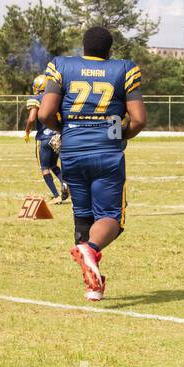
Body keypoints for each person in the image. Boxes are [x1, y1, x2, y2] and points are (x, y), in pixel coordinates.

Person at [37, 26, 146, 302]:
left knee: (83, 215)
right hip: (107, 149)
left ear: (82, 48)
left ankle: (92, 285)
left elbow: (46, 112)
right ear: (110, 51)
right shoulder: (123, 69)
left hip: (72, 150)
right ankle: (92, 249)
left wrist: (66, 130)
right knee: (111, 217)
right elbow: (139, 119)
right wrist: (118, 134)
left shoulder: (63, 66)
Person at [24, 74, 69, 203]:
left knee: (44, 167)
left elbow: (32, 118)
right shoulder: (55, 98)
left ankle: (56, 195)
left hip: (43, 138)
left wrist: (27, 130)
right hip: (56, 136)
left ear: (38, 86)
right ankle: (64, 183)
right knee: (54, 165)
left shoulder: (36, 98)